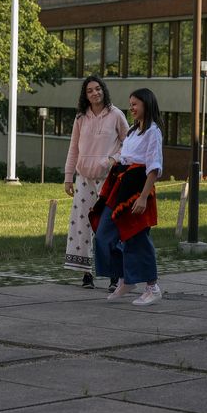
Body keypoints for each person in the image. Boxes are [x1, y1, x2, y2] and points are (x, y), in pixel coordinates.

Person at [90, 88, 163, 306]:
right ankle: (126, 278)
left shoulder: (153, 132)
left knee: (137, 237)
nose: (131, 108)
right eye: (130, 104)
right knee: (103, 234)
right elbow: (125, 156)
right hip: (120, 185)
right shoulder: (132, 131)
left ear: (146, 104)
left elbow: (153, 167)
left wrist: (143, 197)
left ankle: (152, 287)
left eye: (135, 104)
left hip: (138, 188)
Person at [62, 75, 129, 289]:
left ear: (103, 90)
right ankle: (86, 274)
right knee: (82, 225)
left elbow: (129, 144)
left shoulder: (116, 114)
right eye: (90, 90)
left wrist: (113, 159)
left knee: (108, 225)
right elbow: (73, 148)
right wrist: (68, 177)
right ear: (85, 95)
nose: (95, 93)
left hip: (108, 179)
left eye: (98, 89)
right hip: (84, 179)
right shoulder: (81, 118)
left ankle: (114, 276)